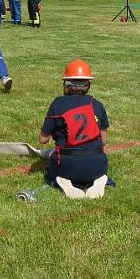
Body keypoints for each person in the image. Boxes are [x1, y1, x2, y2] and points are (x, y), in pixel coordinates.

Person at [39, 60, 110, 199]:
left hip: (67, 165)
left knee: (53, 170)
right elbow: (104, 140)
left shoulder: (58, 104)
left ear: (66, 84)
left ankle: (66, 182)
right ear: (88, 85)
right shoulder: (98, 105)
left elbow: (43, 139)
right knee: (94, 167)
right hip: (98, 165)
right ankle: (97, 180)